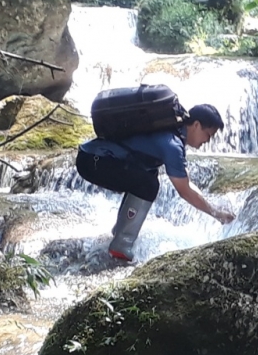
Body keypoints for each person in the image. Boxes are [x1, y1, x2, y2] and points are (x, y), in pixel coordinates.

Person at [75, 103, 236, 261]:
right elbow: (184, 190)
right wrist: (215, 214)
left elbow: (186, 182)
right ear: (196, 125)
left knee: (147, 176)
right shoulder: (172, 144)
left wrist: (215, 210)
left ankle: (120, 233)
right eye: (208, 134)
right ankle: (121, 246)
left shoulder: (173, 134)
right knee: (148, 184)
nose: (208, 141)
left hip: (90, 158)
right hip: (93, 161)